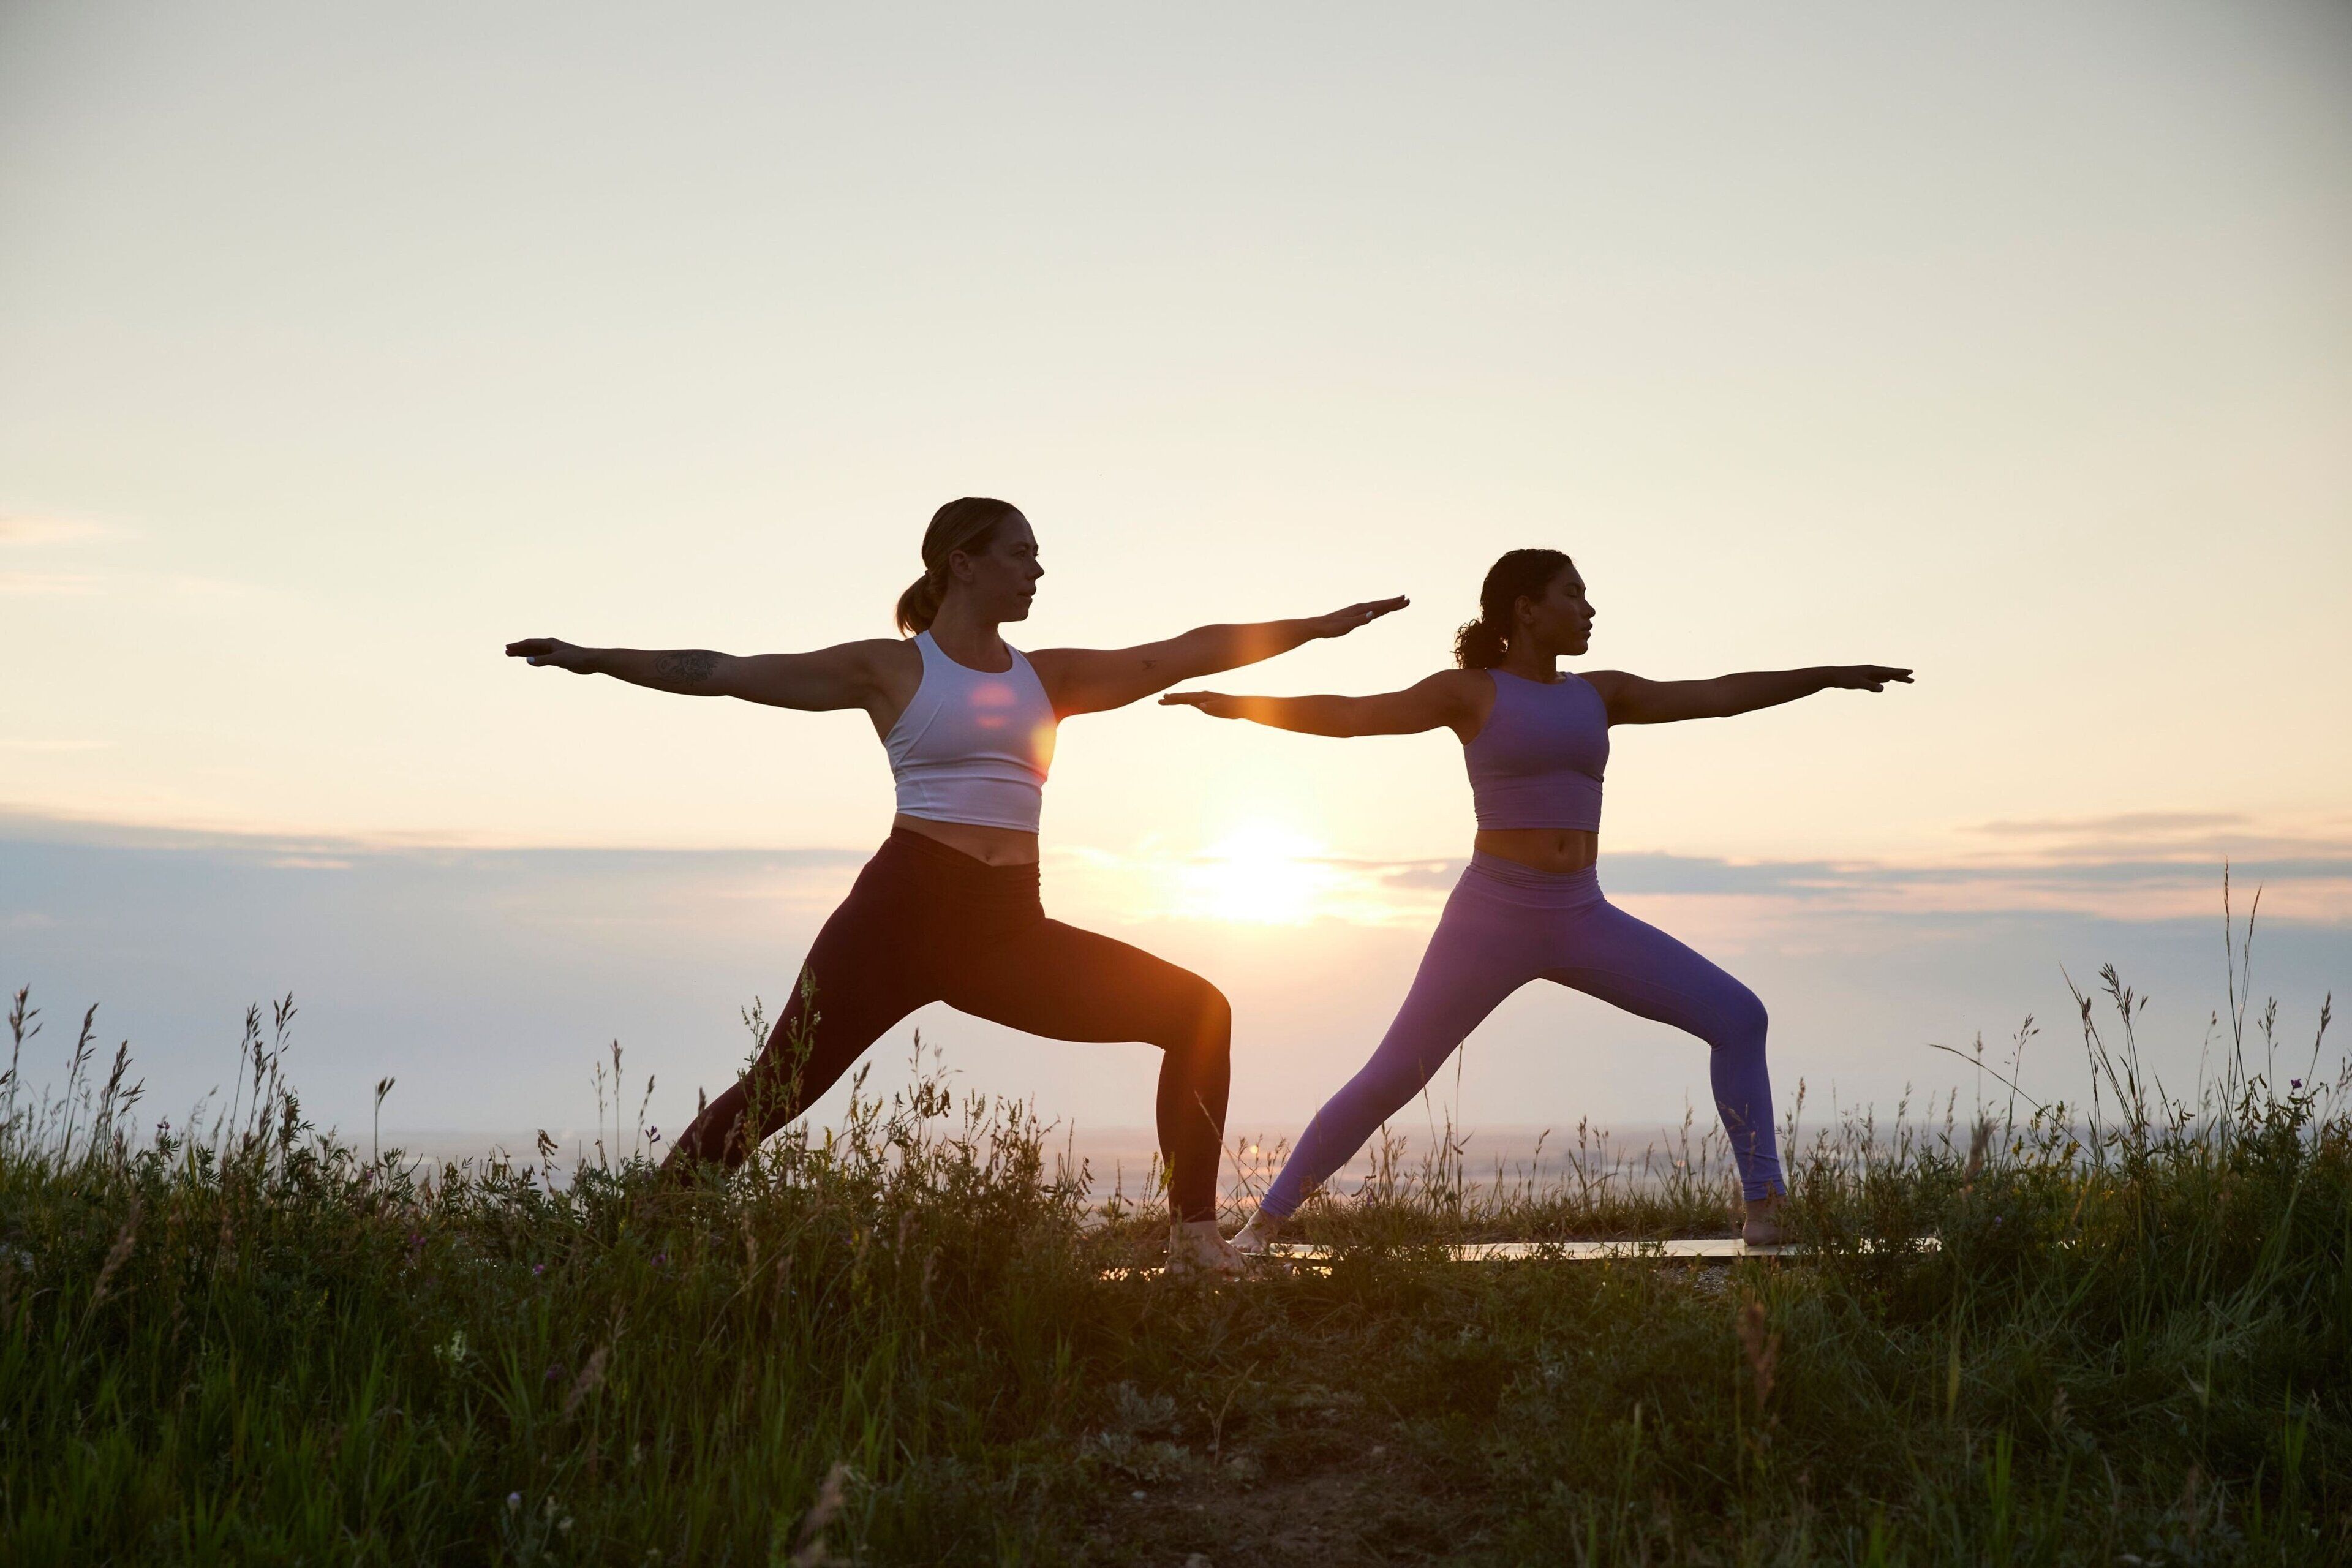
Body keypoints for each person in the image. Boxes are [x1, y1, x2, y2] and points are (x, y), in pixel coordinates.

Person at [507, 497, 1404, 1273]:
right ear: (962, 564)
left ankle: (1195, 1241)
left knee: (1197, 1012)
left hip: (1007, 929)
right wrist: (596, 657)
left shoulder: (1047, 677)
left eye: (1038, 555)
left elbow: (1183, 652)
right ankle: (634, 1242)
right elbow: (727, 673)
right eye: (1021, 553)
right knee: (776, 1091)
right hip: (897, 915)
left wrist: (1315, 628)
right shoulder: (891, 669)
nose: (1039, 569)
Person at [1162, 548, 1910, 1250]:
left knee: (1740, 1018)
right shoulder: (1470, 692)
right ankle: (1258, 1231)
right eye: (1573, 594)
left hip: (1582, 915)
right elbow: (1353, 715)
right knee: (1394, 1074)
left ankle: (1766, 1208)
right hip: (1493, 915)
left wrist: (1829, 674)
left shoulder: (1599, 694)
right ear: (1526, 610)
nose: (1589, 608)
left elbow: (1717, 697)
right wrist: (1234, 704)